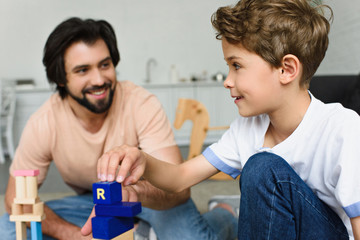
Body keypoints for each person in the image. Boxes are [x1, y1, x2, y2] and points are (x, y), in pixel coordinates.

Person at [90, 0, 360, 239]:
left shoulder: (342, 129)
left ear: (286, 69)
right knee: (261, 169)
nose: (228, 81)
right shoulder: (248, 129)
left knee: (262, 168)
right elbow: (180, 177)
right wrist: (142, 160)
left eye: (237, 66)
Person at [0, 17, 237, 240]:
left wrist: (132, 193)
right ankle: (137, 229)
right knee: (8, 228)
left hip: (152, 200)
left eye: (105, 65)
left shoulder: (141, 103)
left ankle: (223, 213)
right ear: (61, 79)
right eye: (83, 70)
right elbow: (14, 199)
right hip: (91, 203)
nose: (99, 79)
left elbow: (179, 190)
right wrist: (74, 235)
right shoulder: (44, 121)